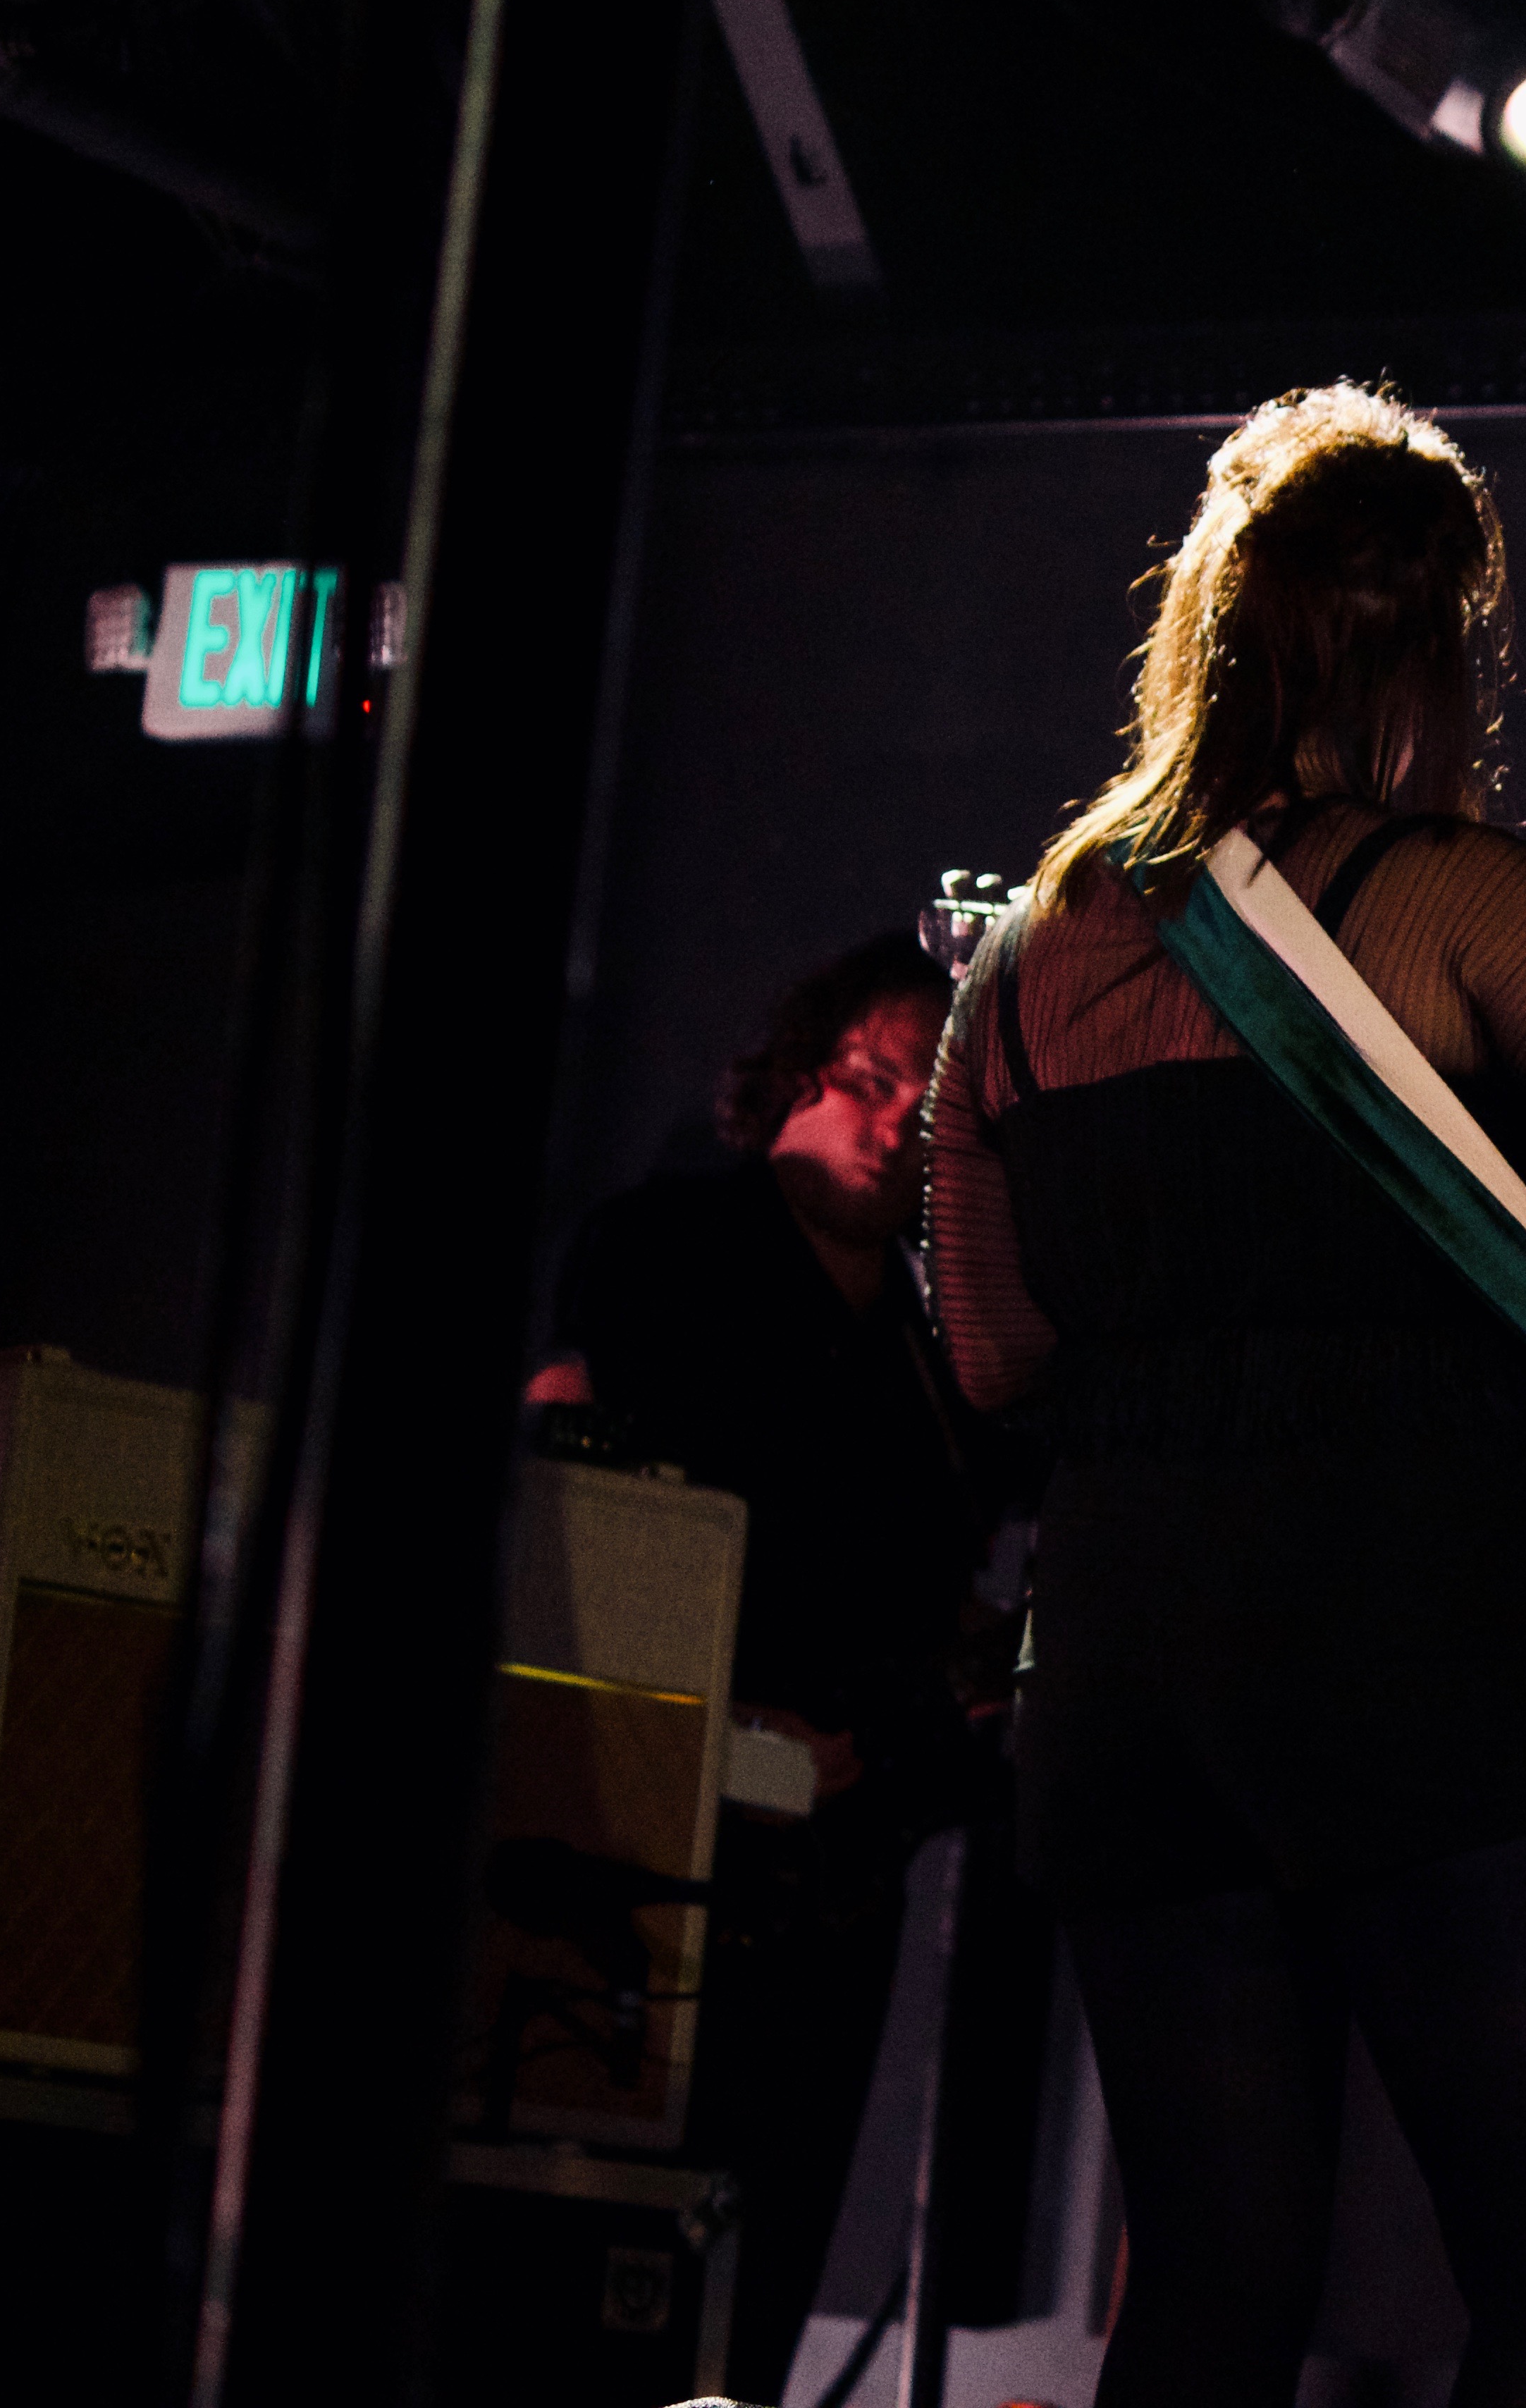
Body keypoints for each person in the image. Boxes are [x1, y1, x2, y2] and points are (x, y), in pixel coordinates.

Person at [925, 382, 1526, 2408]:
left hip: (1129, 1667)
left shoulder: (1029, 958)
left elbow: (993, 1357)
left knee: (1214, 2282)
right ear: (1440, 639)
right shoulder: (1470, 901)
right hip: (1409, 1635)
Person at [541, 933, 1009, 2397]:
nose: (891, 1128)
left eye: (927, 1110)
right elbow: (573, 1500)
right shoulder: (666, 1250)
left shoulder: (943, 1349)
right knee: (595, 2262)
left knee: (760, 2276)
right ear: (797, 1078)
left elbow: (955, 1612)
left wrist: (896, 1738)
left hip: (834, 1873)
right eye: (871, 1083)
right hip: (644, 1838)